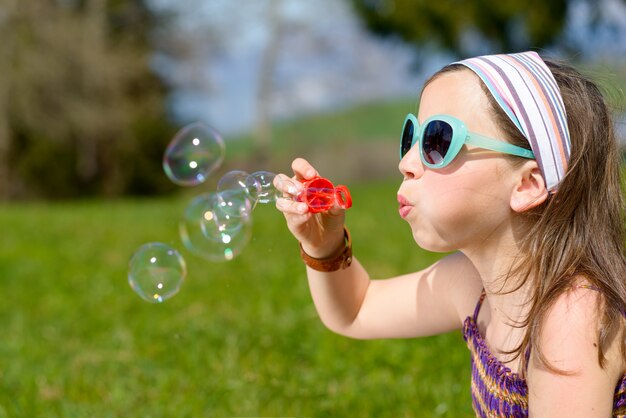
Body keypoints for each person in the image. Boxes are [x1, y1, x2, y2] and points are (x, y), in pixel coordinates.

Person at [273, 51, 626, 417]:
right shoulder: (473, 283)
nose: (406, 163)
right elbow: (356, 310)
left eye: (437, 142)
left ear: (527, 184)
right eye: (410, 136)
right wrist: (323, 245)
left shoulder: (571, 318)